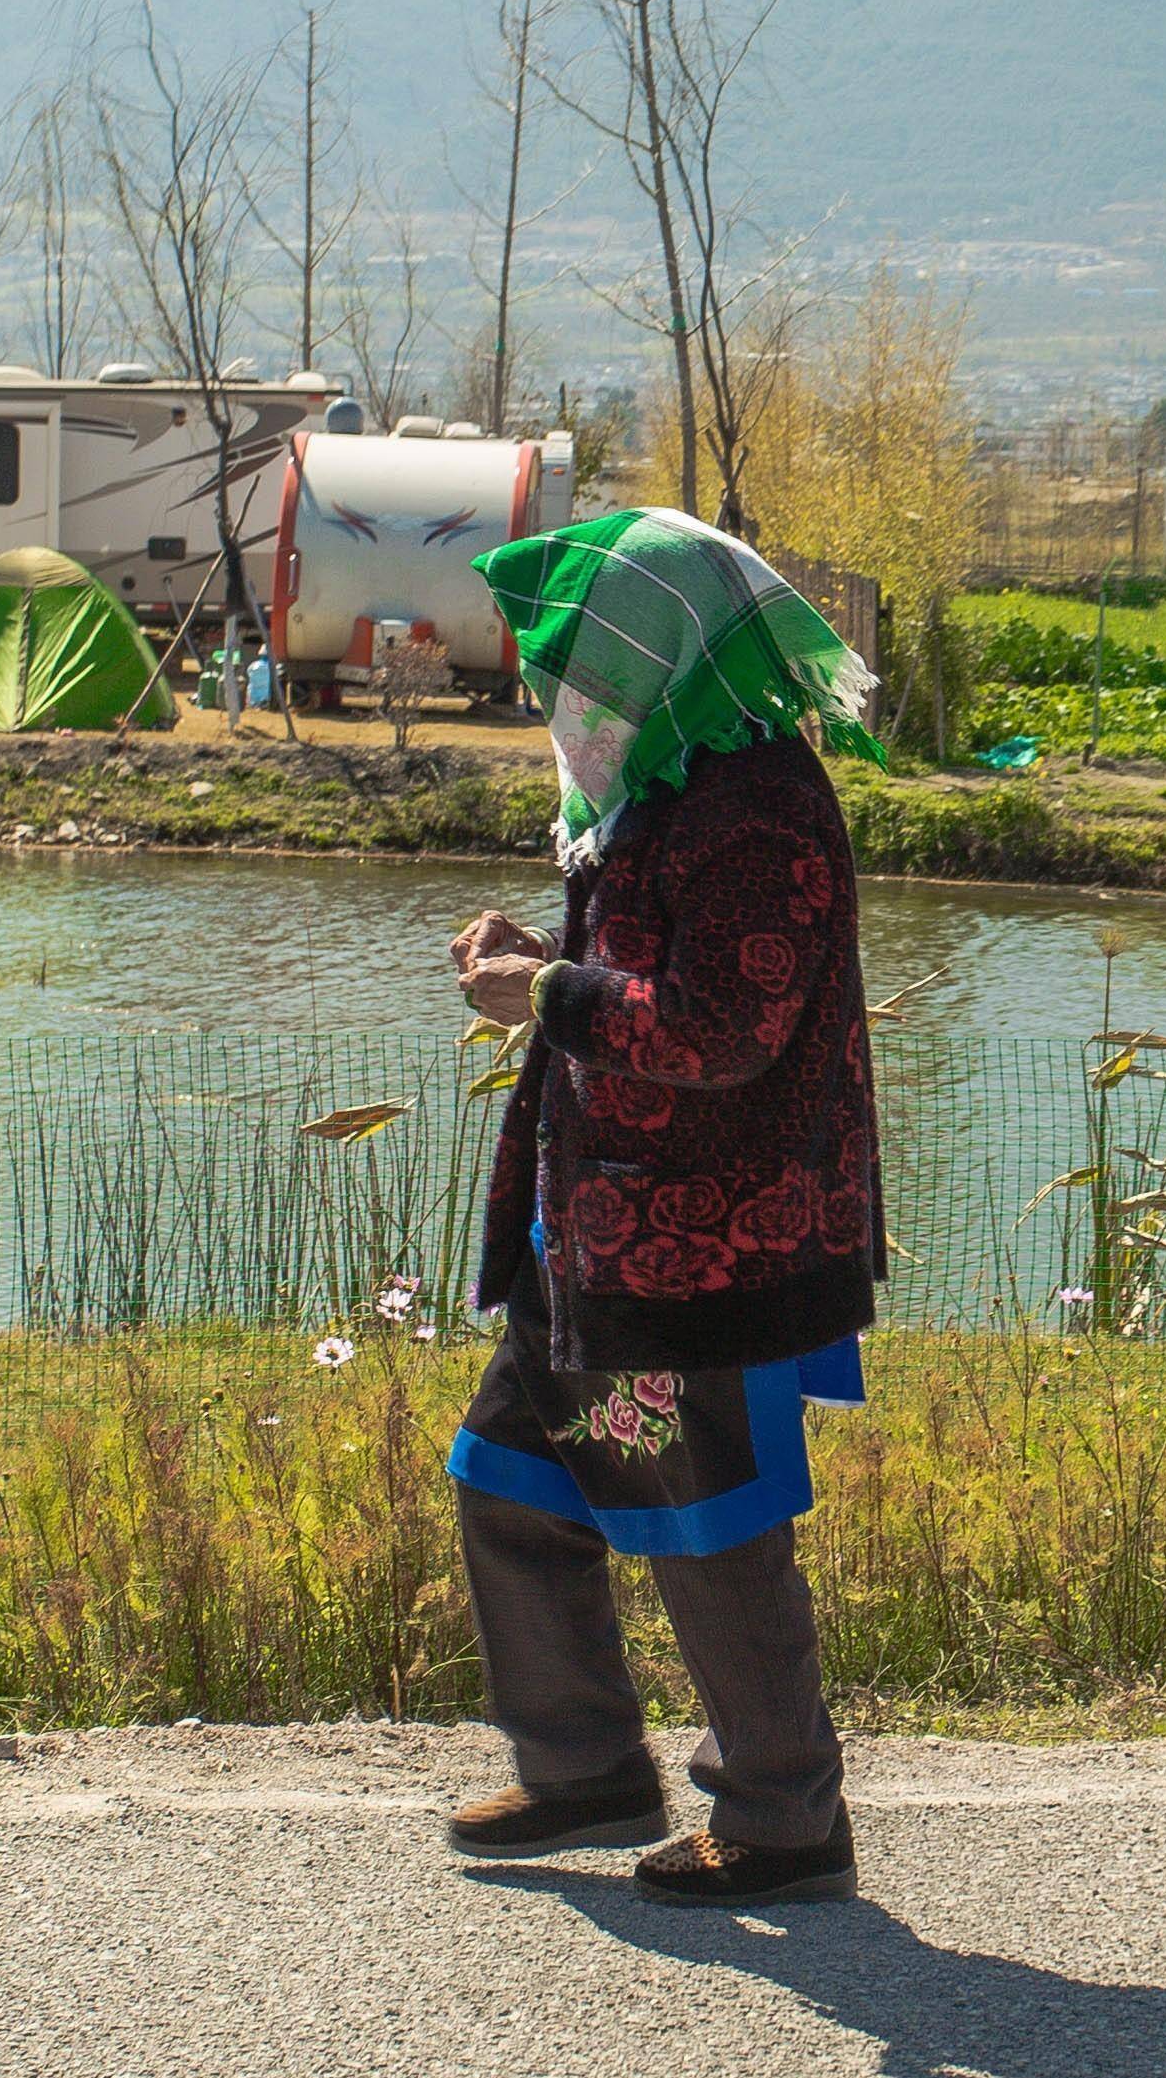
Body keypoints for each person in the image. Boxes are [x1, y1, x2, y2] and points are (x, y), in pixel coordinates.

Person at [433, 507, 888, 1905]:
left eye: (576, 660)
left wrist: (543, 995)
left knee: (706, 1515)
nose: (555, 691)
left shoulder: (752, 805)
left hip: (710, 1250)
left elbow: (724, 1029)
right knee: (513, 1476)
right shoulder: (668, 781)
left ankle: (780, 1812)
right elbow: (642, 969)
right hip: (609, 1243)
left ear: (646, 653)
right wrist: (544, 952)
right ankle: (582, 1767)